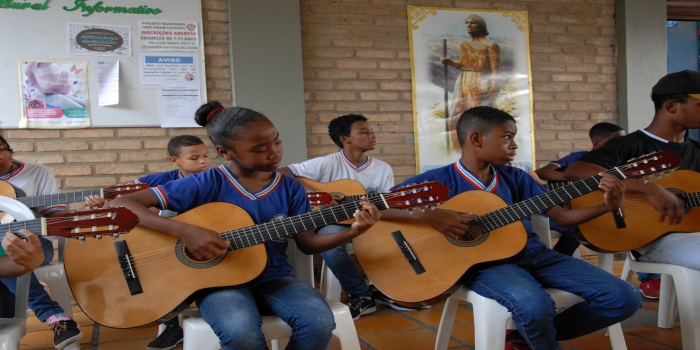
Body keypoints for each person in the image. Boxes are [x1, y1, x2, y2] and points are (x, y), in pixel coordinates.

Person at [109, 102, 381, 350]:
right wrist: (184, 231)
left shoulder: (289, 187)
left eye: (277, 143)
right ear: (225, 152)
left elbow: (308, 244)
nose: (274, 154)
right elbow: (122, 204)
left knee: (318, 322)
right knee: (241, 333)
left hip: (274, 277)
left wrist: (353, 230)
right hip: (218, 284)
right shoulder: (207, 182)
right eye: (260, 149)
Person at [381, 106, 641, 349]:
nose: (515, 145)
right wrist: (427, 216)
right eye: (507, 137)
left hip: (534, 254)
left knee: (624, 297)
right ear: (476, 139)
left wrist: (608, 206)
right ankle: (536, 333)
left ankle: (525, 336)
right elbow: (377, 208)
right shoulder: (436, 180)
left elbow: (563, 218)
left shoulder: (516, 177)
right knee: (534, 306)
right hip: (484, 265)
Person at [565, 70, 700, 300]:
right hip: (651, 239)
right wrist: (650, 188)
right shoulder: (629, 145)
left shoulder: (697, 149)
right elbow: (577, 171)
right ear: (671, 106)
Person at [278, 114, 411, 321]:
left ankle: (385, 289)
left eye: (371, 131)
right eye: (364, 132)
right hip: (334, 223)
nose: (372, 135)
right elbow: (282, 172)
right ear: (345, 139)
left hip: (371, 221)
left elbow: (386, 203)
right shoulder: (326, 163)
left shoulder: (383, 168)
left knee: (398, 235)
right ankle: (361, 295)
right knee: (330, 243)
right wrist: (318, 195)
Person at [85, 135, 211, 350]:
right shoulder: (156, 181)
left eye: (206, 156)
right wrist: (97, 202)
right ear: (175, 161)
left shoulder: (216, 178)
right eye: (195, 158)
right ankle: (172, 325)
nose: (203, 162)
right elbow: (115, 196)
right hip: (167, 245)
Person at [0, 135, 83, 349]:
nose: (2, 157)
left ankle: (52, 316)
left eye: (4, 149)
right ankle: (56, 317)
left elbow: (55, 217)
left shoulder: (37, 172)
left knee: (12, 246)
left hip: (36, 244)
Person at [441, 14, 500, 150]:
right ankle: (460, 148)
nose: (468, 25)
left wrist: (493, 87)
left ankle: (482, 149)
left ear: (480, 26)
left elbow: (495, 70)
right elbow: (463, 64)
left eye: (472, 23)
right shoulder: (464, 44)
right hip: (463, 81)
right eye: (466, 23)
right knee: (457, 114)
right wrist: (450, 62)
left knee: (478, 116)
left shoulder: (491, 45)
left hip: (480, 81)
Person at [535, 122, 626, 182]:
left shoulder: (622, 160)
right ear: (597, 143)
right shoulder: (579, 156)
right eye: (616, 141)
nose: (620, 144)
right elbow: (541, 172)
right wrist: (576, 175)